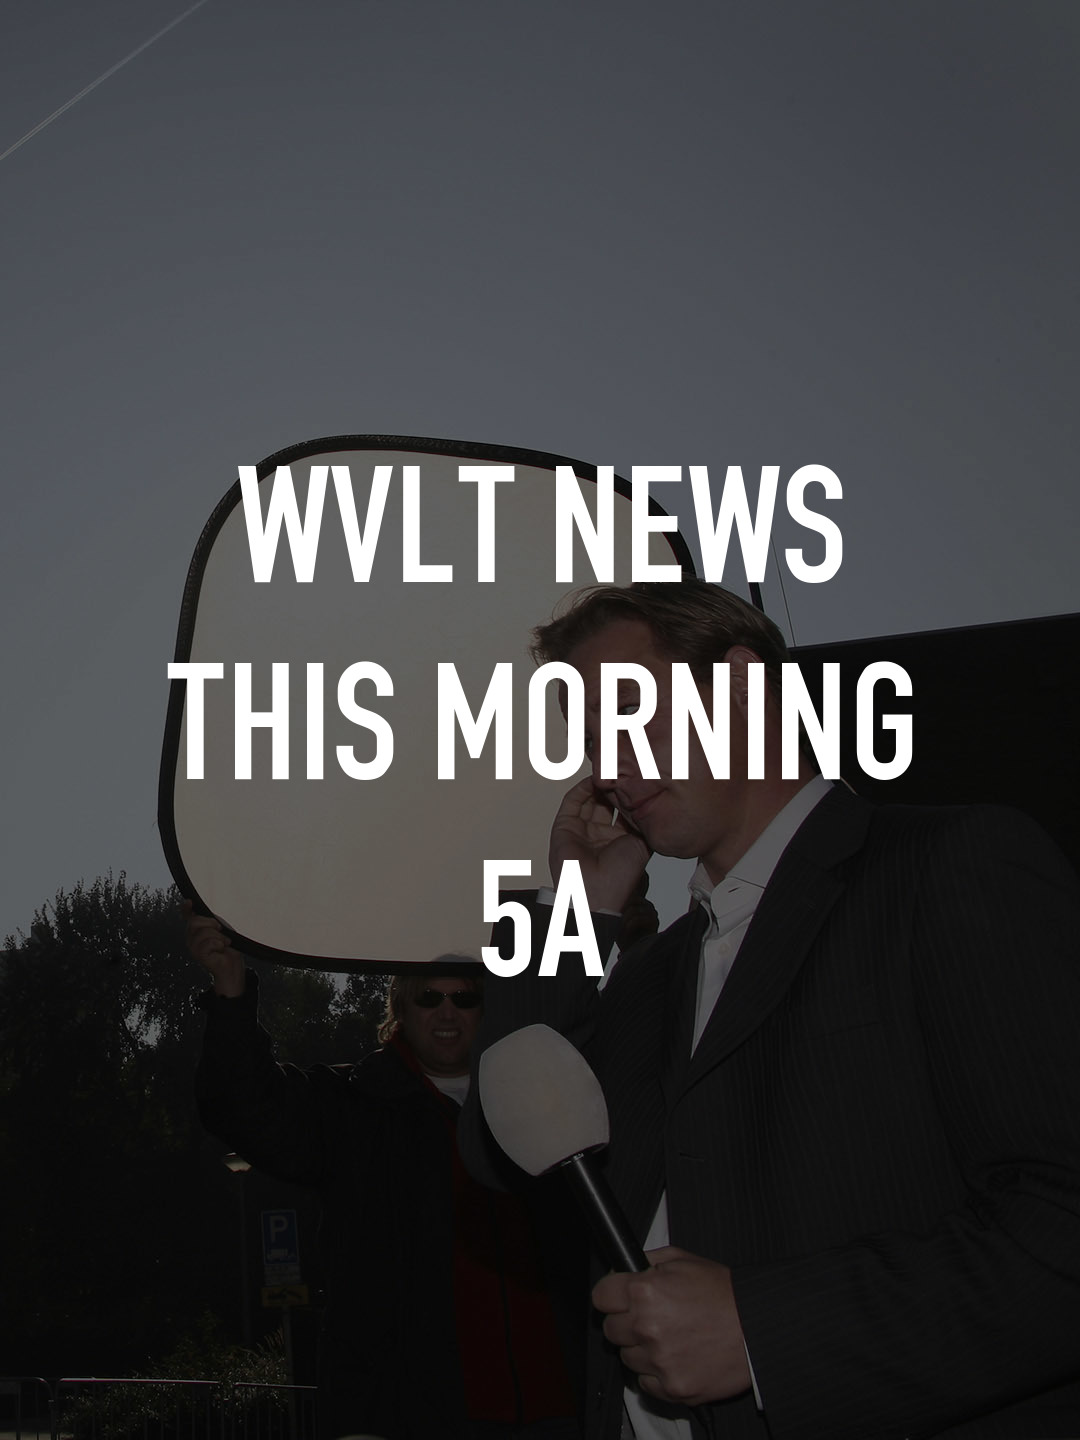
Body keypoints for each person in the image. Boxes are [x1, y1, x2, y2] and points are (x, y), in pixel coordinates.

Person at [459, 579, 1080, 1440]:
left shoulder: (948, 865)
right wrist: (574, 911)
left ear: (743, 686)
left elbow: (1060, 1224)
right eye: (591, 738)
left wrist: (763, 1333)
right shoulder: (651, 974)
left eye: (628, 711)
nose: (604, 768)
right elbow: (502, 1155)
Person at [189, 907, 584, 1440]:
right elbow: (242, 1107)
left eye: (465, 998)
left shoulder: (543, 1104)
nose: (447, 1012)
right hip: (407, 1414)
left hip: (555, 1408)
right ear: (400, 1007)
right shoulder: (356, 1107)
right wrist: (231, 989)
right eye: (429, 997)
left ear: (487, 1009)